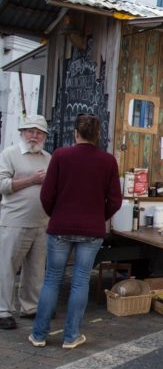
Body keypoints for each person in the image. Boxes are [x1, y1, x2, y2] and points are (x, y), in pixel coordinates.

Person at [30, 114, 122, 349]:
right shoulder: (108, 161)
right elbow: (115, 201)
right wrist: (98, 218)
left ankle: (39, 335)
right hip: (92, 230)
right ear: (98, 135)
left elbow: (46, 194)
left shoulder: (60, 155)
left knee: (52, 279)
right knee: (80, 281)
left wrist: (56, 214)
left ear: (76, 133)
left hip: (60, 226)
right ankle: (71, 337)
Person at [0, 115, 52, 330]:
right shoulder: (9, 154)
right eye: (30, 130)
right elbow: (2, 185)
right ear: (21, 132)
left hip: (41, 221)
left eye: (39, 132)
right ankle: (2, 310)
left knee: (36, 268)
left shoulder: (48, 157)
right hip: (14, 220)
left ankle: (30, 307)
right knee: (6, 267)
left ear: (44, 136)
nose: (34, 135)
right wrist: (32, 180)